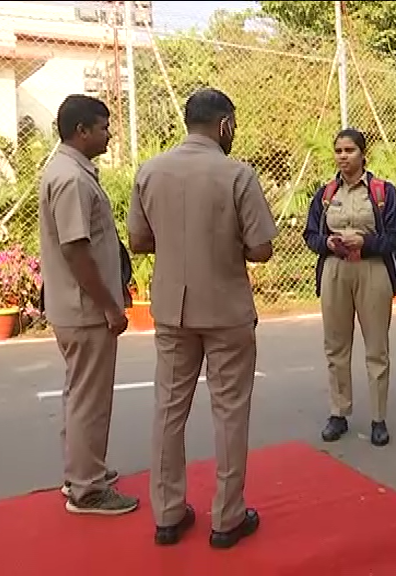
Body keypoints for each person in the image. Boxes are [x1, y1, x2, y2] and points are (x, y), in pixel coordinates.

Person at [128, 88, 278, 548]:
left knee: (168, 410)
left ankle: (169, 514)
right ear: (225, 125)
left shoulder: (150, 171)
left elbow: (138, 242)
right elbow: (262, 249)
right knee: (230, 411)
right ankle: (226, 517)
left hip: (172, 309)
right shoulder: (237, 174)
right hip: (227, 309)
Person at [38, 94, 138, 515]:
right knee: (90, 399)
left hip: (80, 306)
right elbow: (77, 250)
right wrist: (109, 306)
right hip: (85, 310)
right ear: (82, 131)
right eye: (103, 127)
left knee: (80, 393)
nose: (109, 134)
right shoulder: (72, 179)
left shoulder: (67, 170)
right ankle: (87, 489)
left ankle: (80, 472)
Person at [303, 128, 396, 447]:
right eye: (338, 150)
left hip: (372, 269)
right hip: (335, 269)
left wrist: (367, 241)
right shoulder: (325, 194)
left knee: (377, 348)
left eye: (350, 150)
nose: (343, 156)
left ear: (364, 154)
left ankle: (378, 418)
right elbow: (310, 235)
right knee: (335, 346)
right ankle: (339, 413)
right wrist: (328, 242)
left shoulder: (382, 192)